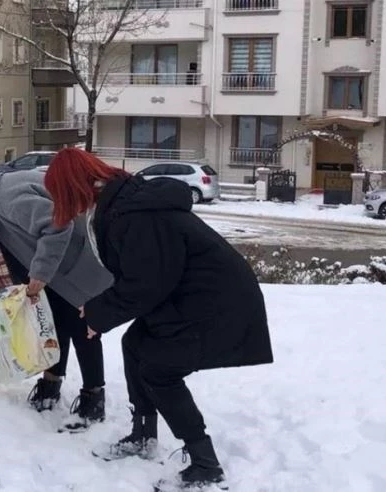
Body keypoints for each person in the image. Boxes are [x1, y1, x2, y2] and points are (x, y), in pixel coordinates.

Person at [43, 148, 273, 489]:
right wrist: (96, 308)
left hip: (216, 303)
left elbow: (146, 284)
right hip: (190, 296)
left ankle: (205, 463)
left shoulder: (132, 215)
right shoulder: (122, 204)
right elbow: (142, 274)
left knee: (159, 369)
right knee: (135, 344)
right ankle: (143, 435)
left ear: (73, 186)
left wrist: (97, 314)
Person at [0, 162, 113, 432]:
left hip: (78, 266)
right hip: (57, 271)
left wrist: (39, 274)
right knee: (52, 325)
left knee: (83, 330)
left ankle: (93, 398)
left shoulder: (5, 199)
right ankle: (51, 383)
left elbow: (57, 227)